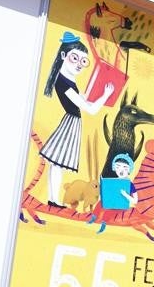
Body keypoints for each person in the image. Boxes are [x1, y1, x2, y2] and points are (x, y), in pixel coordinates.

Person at [40, 31, 114, 207]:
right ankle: (54, 200)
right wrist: (106, 95)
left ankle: (53, 199)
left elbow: (85, 98)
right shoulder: (64, 83)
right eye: (75, 59)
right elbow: (90, 108)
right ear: (63, 55)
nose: (80, 65)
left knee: (56, 164)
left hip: (72, 123)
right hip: (70, 124)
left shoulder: (68, 81)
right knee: (57, 163)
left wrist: (96, 82)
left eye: (83, 61)